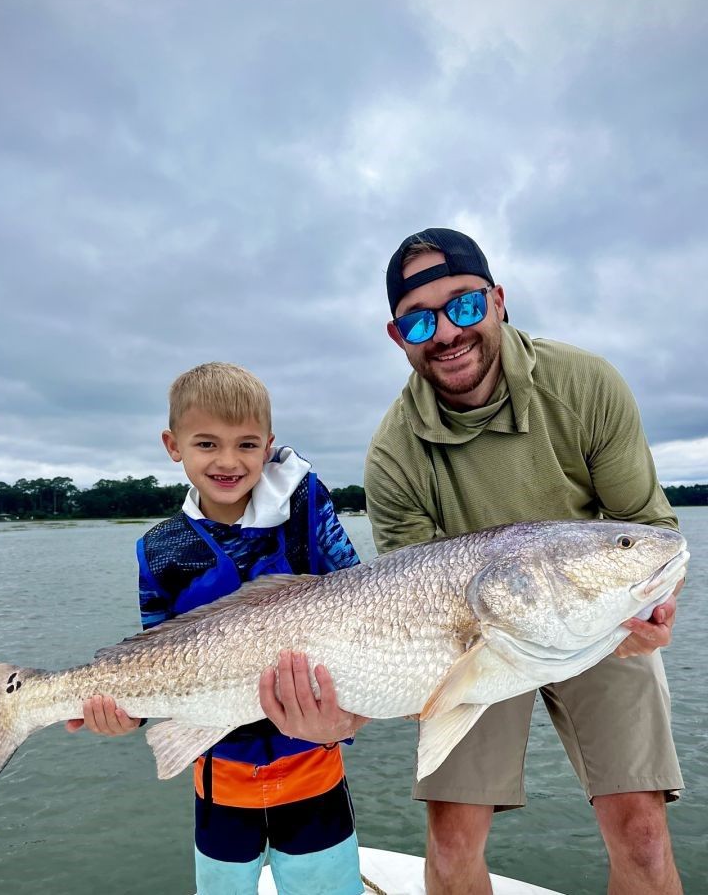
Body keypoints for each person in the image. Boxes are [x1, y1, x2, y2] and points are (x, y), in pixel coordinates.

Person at [260, 228, 684, 895]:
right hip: (467, 634)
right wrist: (351, 708)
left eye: (463, 305)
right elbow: (407, 610)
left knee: (643, 834)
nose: (448, 333)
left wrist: (655, 607)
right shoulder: (394, 455)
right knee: (452, 842)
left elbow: (651, 532)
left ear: (498, 300)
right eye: (420, 319)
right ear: (397, 336)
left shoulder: (587, 385)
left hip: (602, 623)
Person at [66, 362, 364, 895]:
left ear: (269, 444)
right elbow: (155, 661)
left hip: (314, 766)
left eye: (247, 445)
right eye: (207, 444)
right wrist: (125, 718)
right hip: (219, 779)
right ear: (173, 445)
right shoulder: (161, 550)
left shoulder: (309, 513)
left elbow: (365, 600)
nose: (228, 461)